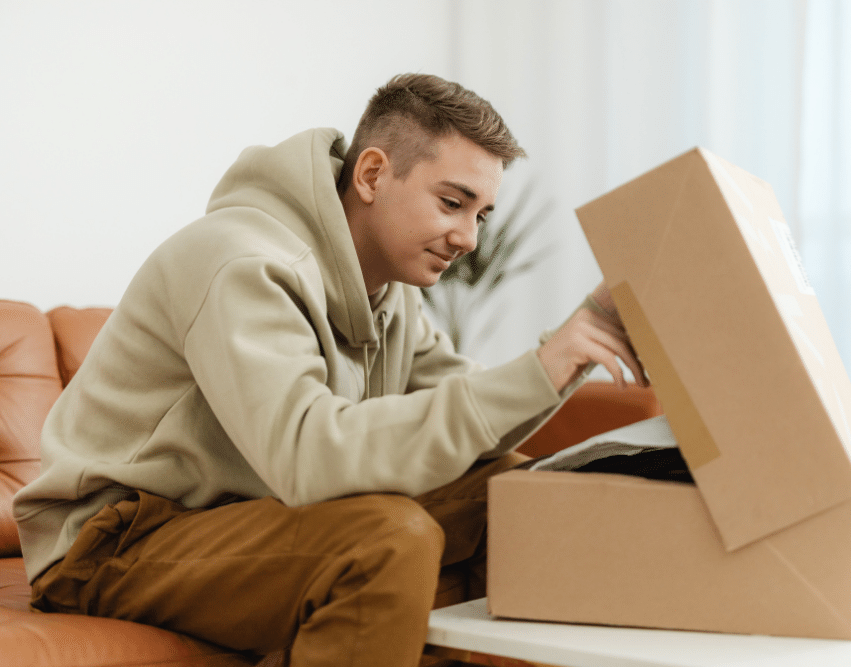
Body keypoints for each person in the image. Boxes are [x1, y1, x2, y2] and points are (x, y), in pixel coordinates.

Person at [13, 73, 646, 666]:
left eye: (480, 215)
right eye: (452, 202)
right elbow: (308, 455)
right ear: (373, 173)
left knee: (511, 495)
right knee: (386, 540)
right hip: (114, 541)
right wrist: (549, 360)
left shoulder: (389, 294)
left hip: (243, 517)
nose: (468, 240)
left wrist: (579, 342)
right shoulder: (241, 261)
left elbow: (469, 407)